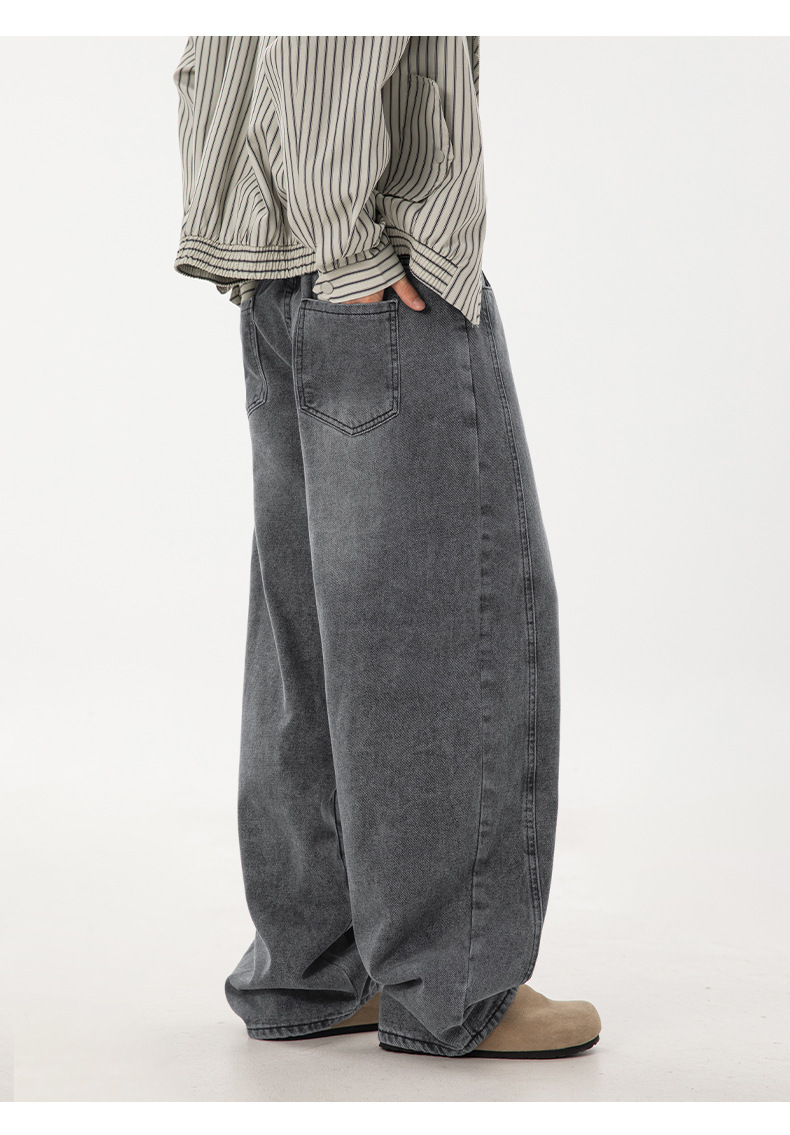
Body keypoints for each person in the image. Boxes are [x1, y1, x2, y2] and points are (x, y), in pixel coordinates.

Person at [172, 35, 601, 1060]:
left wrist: (312, 242)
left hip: (284, 271)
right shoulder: (362, 253)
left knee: (314, 629)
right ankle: (451, 981)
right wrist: (352, 250)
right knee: (440, 627)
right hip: (374, 267)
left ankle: (317, 965)